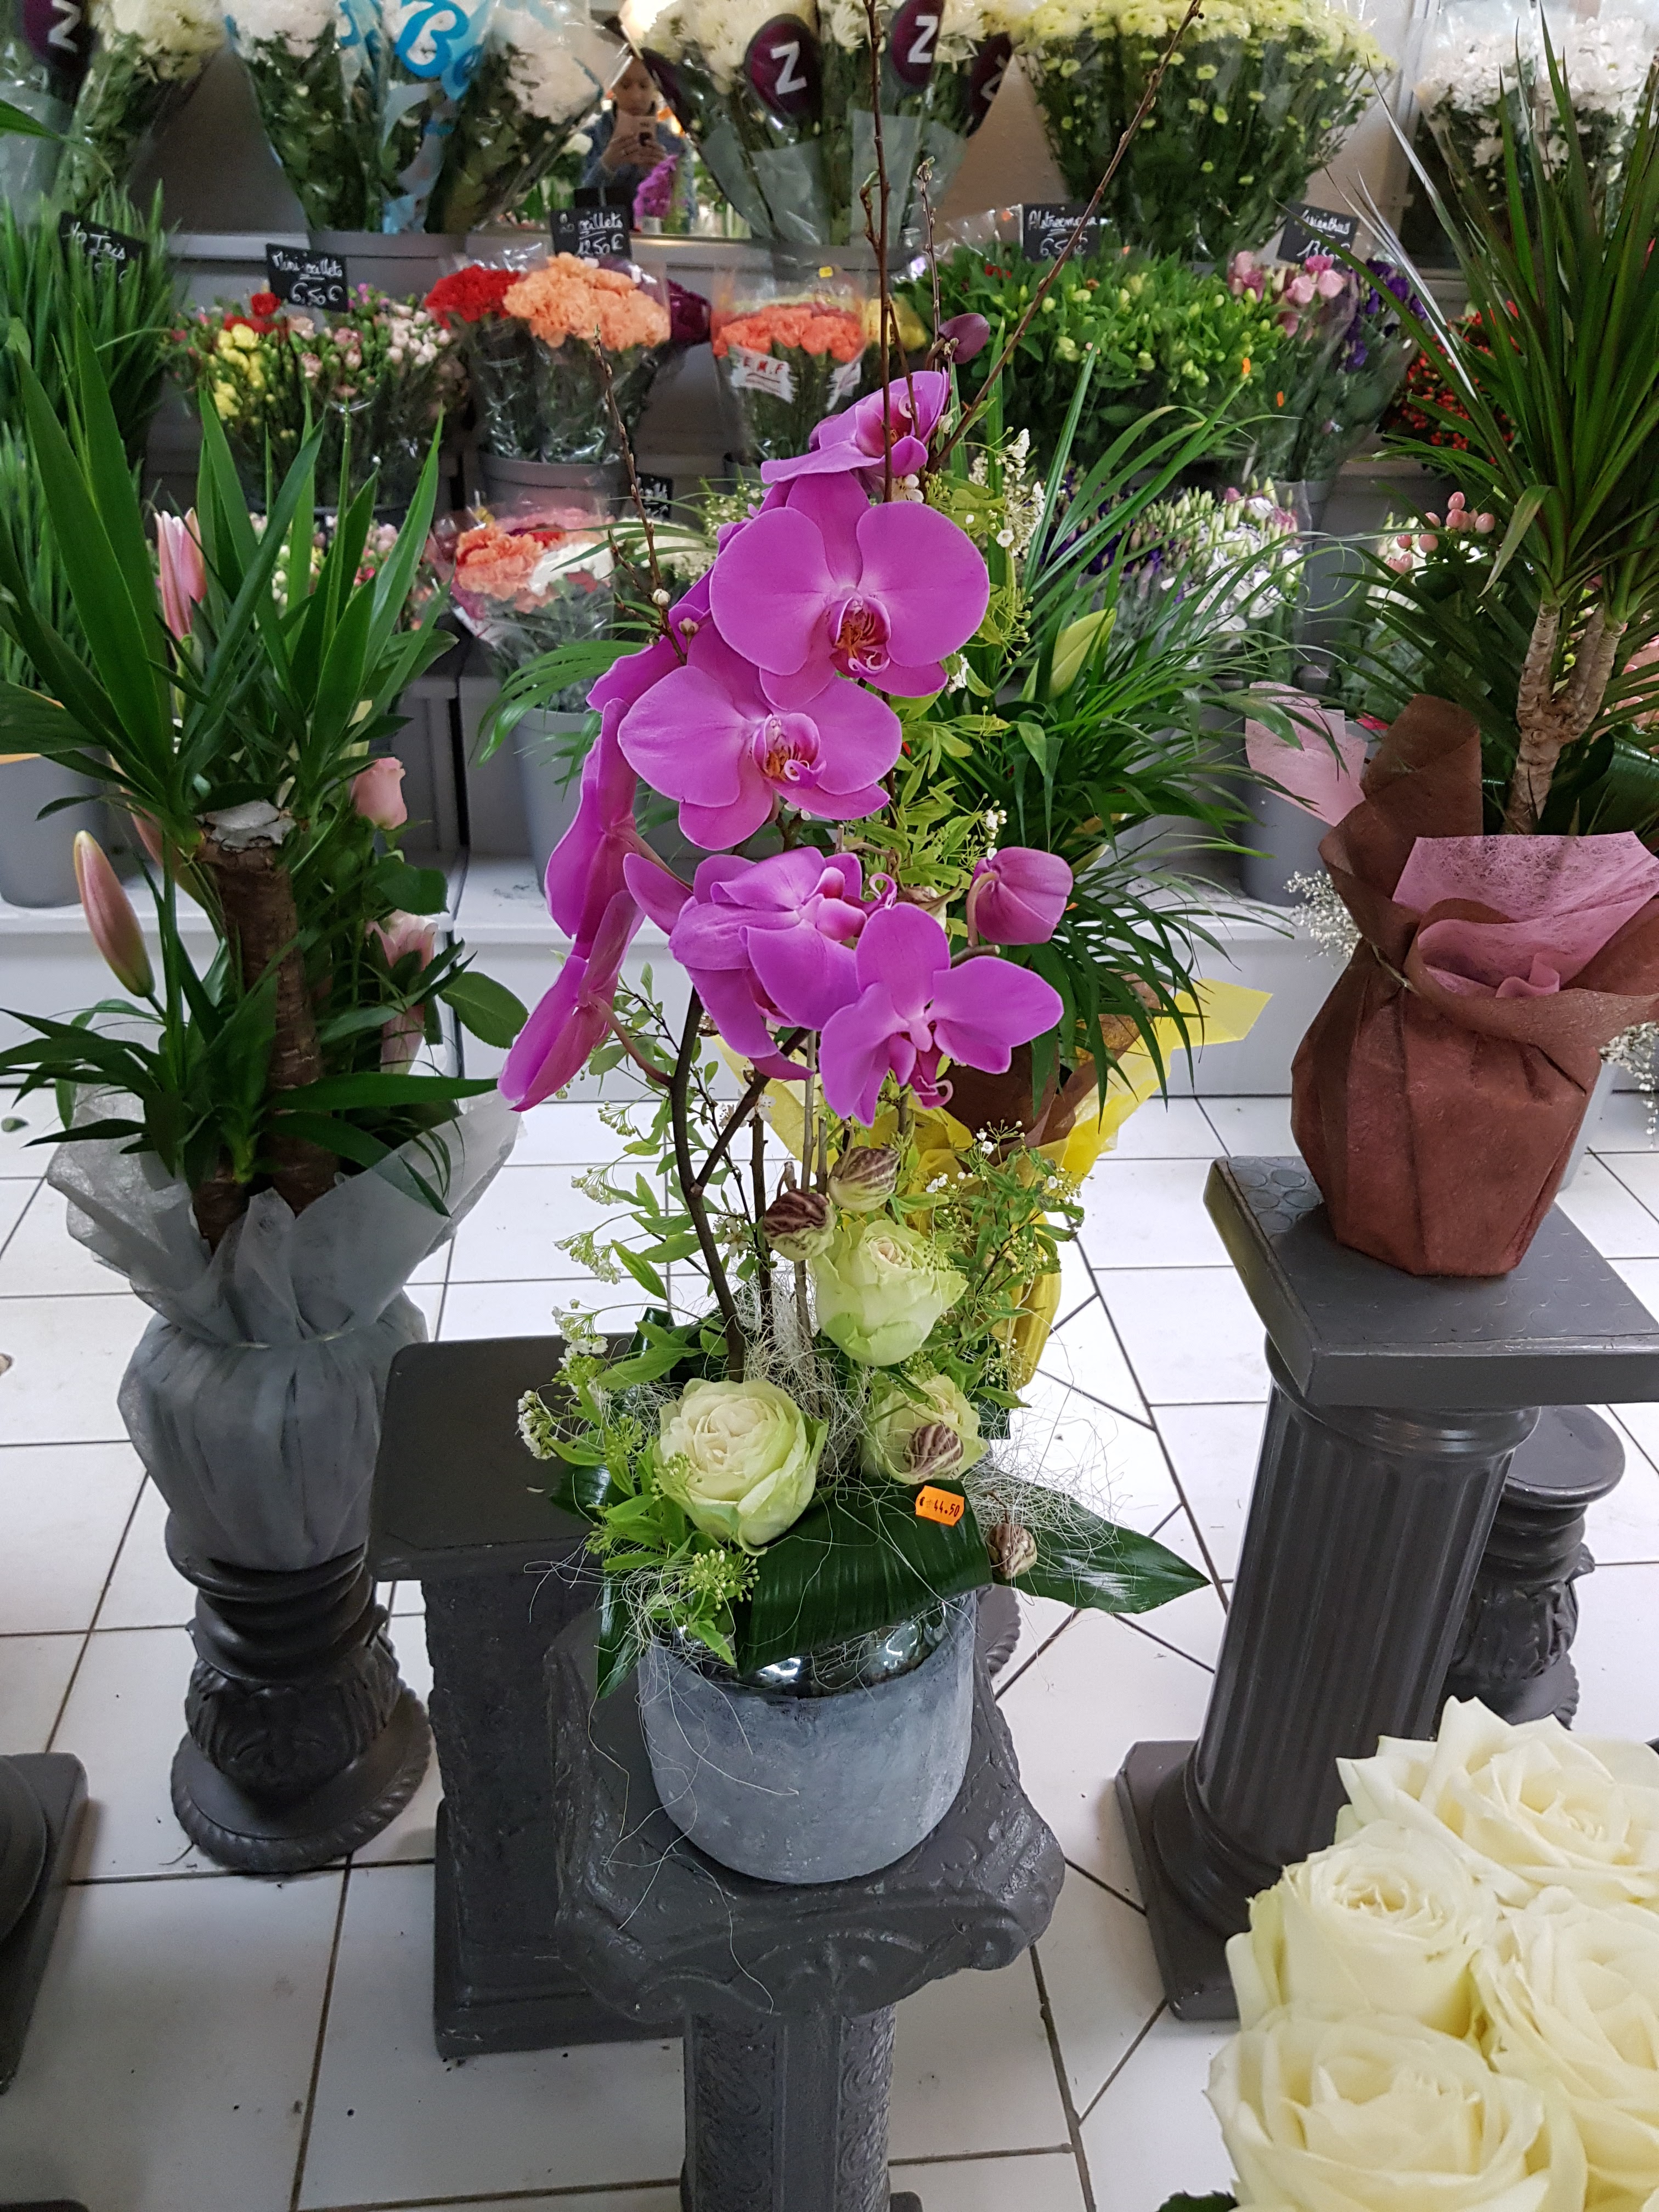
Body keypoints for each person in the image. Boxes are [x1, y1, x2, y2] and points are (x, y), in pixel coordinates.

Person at [582, 57, 680, 200]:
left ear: (655, 87)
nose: (635, 96)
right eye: (625, 86)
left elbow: (686, 209)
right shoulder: (589, 139)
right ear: (614, 86)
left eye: (644, 86)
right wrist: (606, 165)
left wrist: (666, 178)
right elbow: (573, 204)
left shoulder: (675, 145)